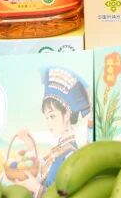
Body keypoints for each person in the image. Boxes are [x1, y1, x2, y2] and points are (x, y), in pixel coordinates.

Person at [24, 67, 90, 198]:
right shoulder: (59, 149)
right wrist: (30, 144)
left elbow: (67, 194)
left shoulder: (71, 155)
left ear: (67, 115)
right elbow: (44, 171)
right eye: (46, 118)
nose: (48, 123)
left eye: (52, 116)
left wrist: (36, 188)